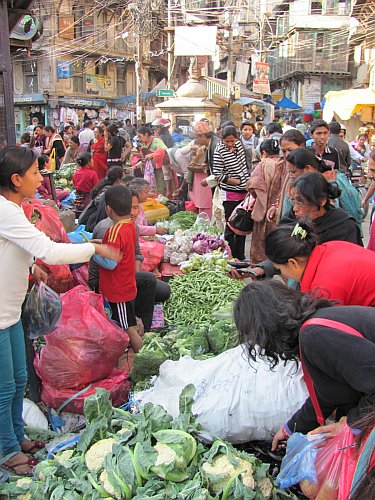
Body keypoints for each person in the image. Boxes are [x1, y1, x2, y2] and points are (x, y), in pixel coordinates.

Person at [0, 146, 120, 476]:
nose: (41, 179)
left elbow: (18, 248)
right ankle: (6, 450)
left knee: (19, 379)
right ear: (15, 179)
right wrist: (94, 247)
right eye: (35, 174)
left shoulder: (16, 208)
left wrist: (29, 269)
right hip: (1, 313)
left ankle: (16, 437)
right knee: (4, 386)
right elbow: (50, 251)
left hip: (10, 311)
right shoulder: (7, 212)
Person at [233, 280, 375, 450]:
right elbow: (329, 393)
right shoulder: (314, 326)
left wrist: (351, 424)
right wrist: (292, 428)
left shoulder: (315, 336)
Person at [264, 220, 375, 306]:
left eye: (280, 269)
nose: (282, 274)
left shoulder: (324, 289)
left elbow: (326, 327)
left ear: (293, 263)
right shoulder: (330, 247)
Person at [93, 185, 143, 353]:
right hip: (127, 284)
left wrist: (91, 251)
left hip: (118, 290)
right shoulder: (129, 226)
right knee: (127, 322)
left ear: (108, 208)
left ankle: (143, 356)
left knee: (127, 327)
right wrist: (98, 245)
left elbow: (110, 263)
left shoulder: (114, 231)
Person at [282, 173, 362, 245]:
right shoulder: (289, 220)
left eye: (300, 202)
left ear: (321, 201)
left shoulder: (344, 228)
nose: (295, 208)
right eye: (293, 200)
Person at [212, 125, 249, 260]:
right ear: (222, 139)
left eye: (232, 141)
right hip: (230, 193)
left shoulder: (239, 146)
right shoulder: (219, 150)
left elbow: (244, 165)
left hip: (244, 192)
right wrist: (236, 181)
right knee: (230, 224)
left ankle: (241, 254)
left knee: (242, 224)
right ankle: (230, 253)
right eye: (227, 141)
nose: (230, 144)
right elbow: (217, 174)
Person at [247, 138, 286, 262]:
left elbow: (253, 185)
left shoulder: (263, 163)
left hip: (264, 211)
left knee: (260, 244)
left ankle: (261, 272)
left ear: (263, 152)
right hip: (280, 209)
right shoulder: (285, 163)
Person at [266, 129, 306, 222]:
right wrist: (276, 206)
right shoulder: (285, 166)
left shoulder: (308, 168)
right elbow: (284, 193)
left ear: (302, 146)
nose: (287, 155)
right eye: (284, 151)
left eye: (290, 150)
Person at [79, 166, 125, 232]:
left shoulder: (105, 187)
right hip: (93, 224)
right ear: (118, 180)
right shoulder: (108, 191)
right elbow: (99, 203)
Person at [187, 122, 214, 219]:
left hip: (206, 184)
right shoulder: (203, 148)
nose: (196, 140)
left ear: (203, 136)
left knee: (207, 210)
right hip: (202, 184)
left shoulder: (212, 147)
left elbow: (191, 166)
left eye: (197, 137)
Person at [136, 125, 167, 194]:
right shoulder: (144, 143)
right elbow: (144, 159)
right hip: (150, 169)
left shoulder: (156, 140)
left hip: (159, 169)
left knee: (160, 189)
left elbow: (165, 151)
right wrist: (134, 167)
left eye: (140, 136)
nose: (139, 138)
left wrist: (152, 155)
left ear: (146, 134)